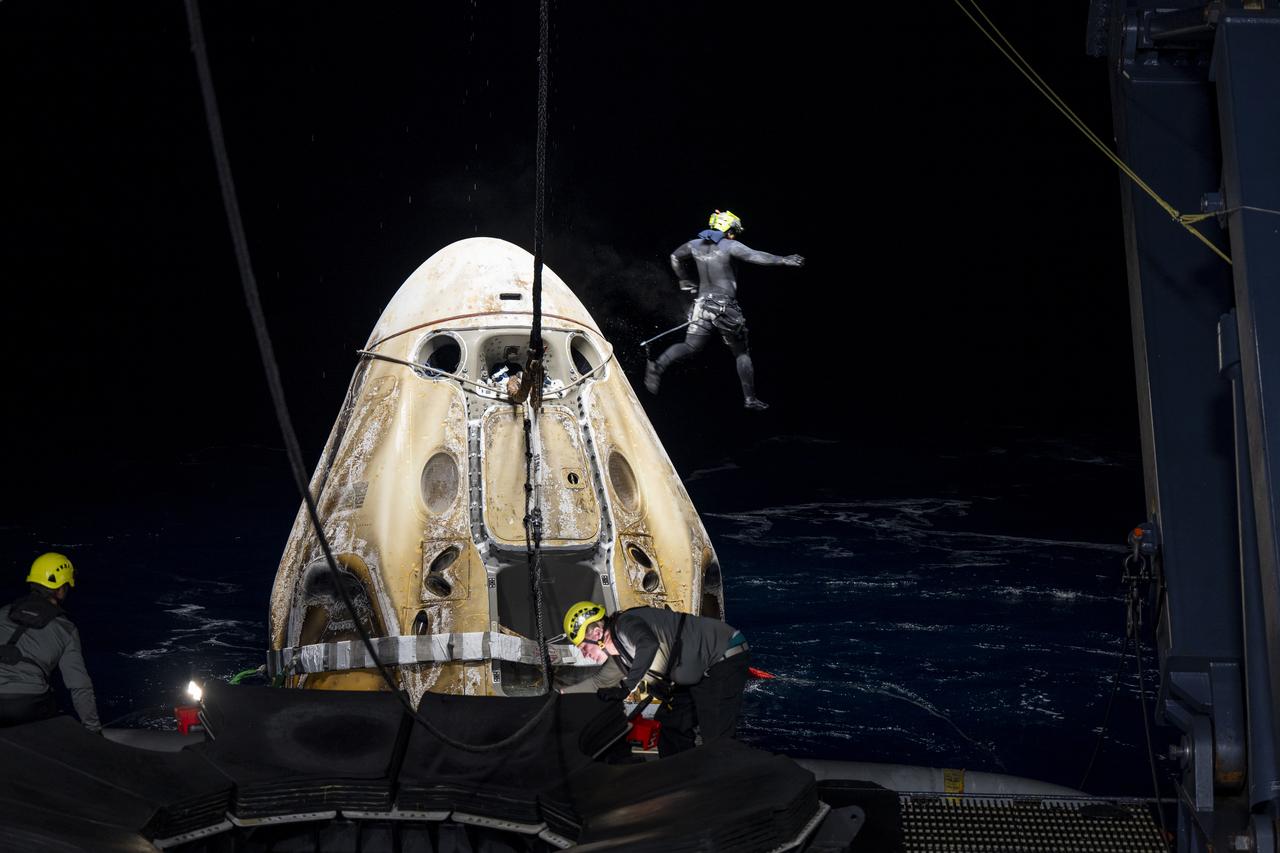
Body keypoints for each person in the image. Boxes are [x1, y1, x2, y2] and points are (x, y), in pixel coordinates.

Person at [645, 209, 804, 410]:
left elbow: (674, 257)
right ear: (728, 229)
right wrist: (783, 259)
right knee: (741, 353)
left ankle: (657, 367)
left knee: (690, 346)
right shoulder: (730, 246)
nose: (734, 235)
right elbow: (755, 255)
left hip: (701, 305)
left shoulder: (694, 245)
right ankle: (750, 398)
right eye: (734, 231)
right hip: (724, 307)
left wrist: (684, 279)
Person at [561, 601, 750, 757]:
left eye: (583, 647)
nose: (585, 655)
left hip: (722, 658)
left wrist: (627, 686)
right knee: (671, 724)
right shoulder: (618, 655)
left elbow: (648, 644)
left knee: (716, 738)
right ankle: (682, 779)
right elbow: (598, 683)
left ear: (596, 634)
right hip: (696, 674)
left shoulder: (625, 625)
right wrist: (559, 696)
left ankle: (726, 788)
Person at [0, 553, 101, 732]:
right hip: (28, 705)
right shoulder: (66, 629)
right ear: (60, 589)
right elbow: (79, 686)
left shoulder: (3, 612)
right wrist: (94, 731)